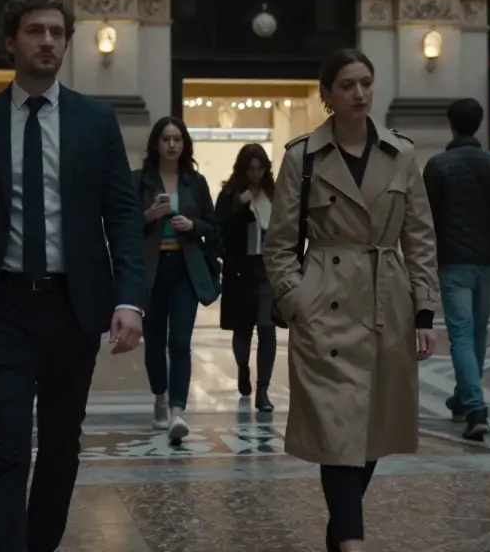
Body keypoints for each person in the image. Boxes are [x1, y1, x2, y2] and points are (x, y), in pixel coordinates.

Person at [0, 0, 146, 552]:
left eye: (57, 32)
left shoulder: (95, 121)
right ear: (10, 42)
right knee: (5, 447)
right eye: (35, 31)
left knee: (61, 447)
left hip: (72, 308)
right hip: (0, 306)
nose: (48, 40)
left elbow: (121, 213)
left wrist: (129, 299)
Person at [263, 48, 440, 552]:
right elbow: (278, 245)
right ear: (327, 96)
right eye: (347, 85)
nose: (359, 93)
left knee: (369, 436)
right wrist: (297, 300)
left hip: (388, 307)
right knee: (337, 433)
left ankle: (339, 535)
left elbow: (420, 235)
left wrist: (424, 311)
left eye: (366, 82)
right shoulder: (302, 157)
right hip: (326, 306)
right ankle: (353, 542)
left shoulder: (401, 154)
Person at [422, 98, 490, 440]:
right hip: (489, 261)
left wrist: (422, 262)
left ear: (451, 125)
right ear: (479, 124)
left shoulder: (438, 166)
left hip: (453, 260)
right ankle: (465, 396)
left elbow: (426, 221)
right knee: (478, 331)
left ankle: (474, 405)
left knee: (461, 334)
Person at [134, 116, 217, 442]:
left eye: (177, 139)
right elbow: (122, 226)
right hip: (152, 270)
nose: (172, 145)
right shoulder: (140, 181)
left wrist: (192, 225)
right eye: (166, 139)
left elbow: (212, 226)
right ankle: (160, 395)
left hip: (184, 269)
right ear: (157, 143)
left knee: (180, 342)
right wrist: (149, 216)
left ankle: (176, 412)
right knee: (154, 342)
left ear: (184, 145)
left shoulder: (195, 182)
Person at [215, 143, 278, 413]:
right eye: (250, 168)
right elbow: (218, 232)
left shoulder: (274, 195)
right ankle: (243, 368)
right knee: (242, 329)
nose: (255, 174)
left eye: (259, 168)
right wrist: (238, 207)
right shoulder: (229, 195)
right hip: (239, 270)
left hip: (267, 270)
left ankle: (263, 389)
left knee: (267, 327)